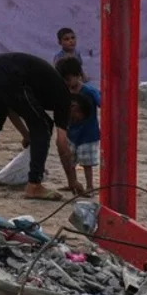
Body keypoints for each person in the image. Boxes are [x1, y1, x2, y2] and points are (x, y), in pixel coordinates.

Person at [0, 51, 82, 201]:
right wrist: (72, 181)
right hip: (9, 75)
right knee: (43, 125)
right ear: (73, 77)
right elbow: (62, 144)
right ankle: (34, 185)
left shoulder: (46, 82)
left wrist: (26, 135)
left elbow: (10, 108)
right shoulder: (62, 93)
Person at [56, 56, 101, 196]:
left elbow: (102, 103)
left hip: (88, 134)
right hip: (71, 134)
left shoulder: (89, 91)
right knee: (70, 160)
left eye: (69, 79)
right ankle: (73, 183)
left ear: (78, 75)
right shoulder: (64, 92)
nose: (67, 83)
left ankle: (90, 187)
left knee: (87, 164)